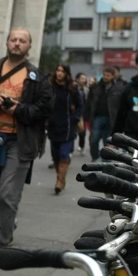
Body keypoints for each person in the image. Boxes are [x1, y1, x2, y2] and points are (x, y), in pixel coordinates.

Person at [0, 28, 52, 259]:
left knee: (7, 195)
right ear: (7, 43)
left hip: (21, 142)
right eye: (14, 40)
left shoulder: (37, 76)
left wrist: (19, 109)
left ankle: (2, 246)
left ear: (29, 47)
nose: (17, 43)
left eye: (22, 41)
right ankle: (8, 220)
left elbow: (45, 108)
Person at [48, 64, 83, 194]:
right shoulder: (50, 87)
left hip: (68, 126)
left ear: (67, 73)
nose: (59, 73)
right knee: (56, 156)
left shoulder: (72, 88)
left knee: (64, 153)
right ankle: (61, 178)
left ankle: (59, 180)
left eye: (62, 71)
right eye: (57, 70)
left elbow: (80, 105)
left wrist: (76, 117)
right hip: (53, 125)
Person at [84, 66, 125, 162]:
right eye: (104, 75)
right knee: (93, 140)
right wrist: (86, 116)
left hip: (112, 119)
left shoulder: (119, 88)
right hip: (97, 117)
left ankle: (106, 162)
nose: (106, 77)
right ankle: (95, 155)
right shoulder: (95, 87)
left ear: (113, 76)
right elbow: (88, 102)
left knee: (108, 142)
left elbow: (122, 105)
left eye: (108, 75)